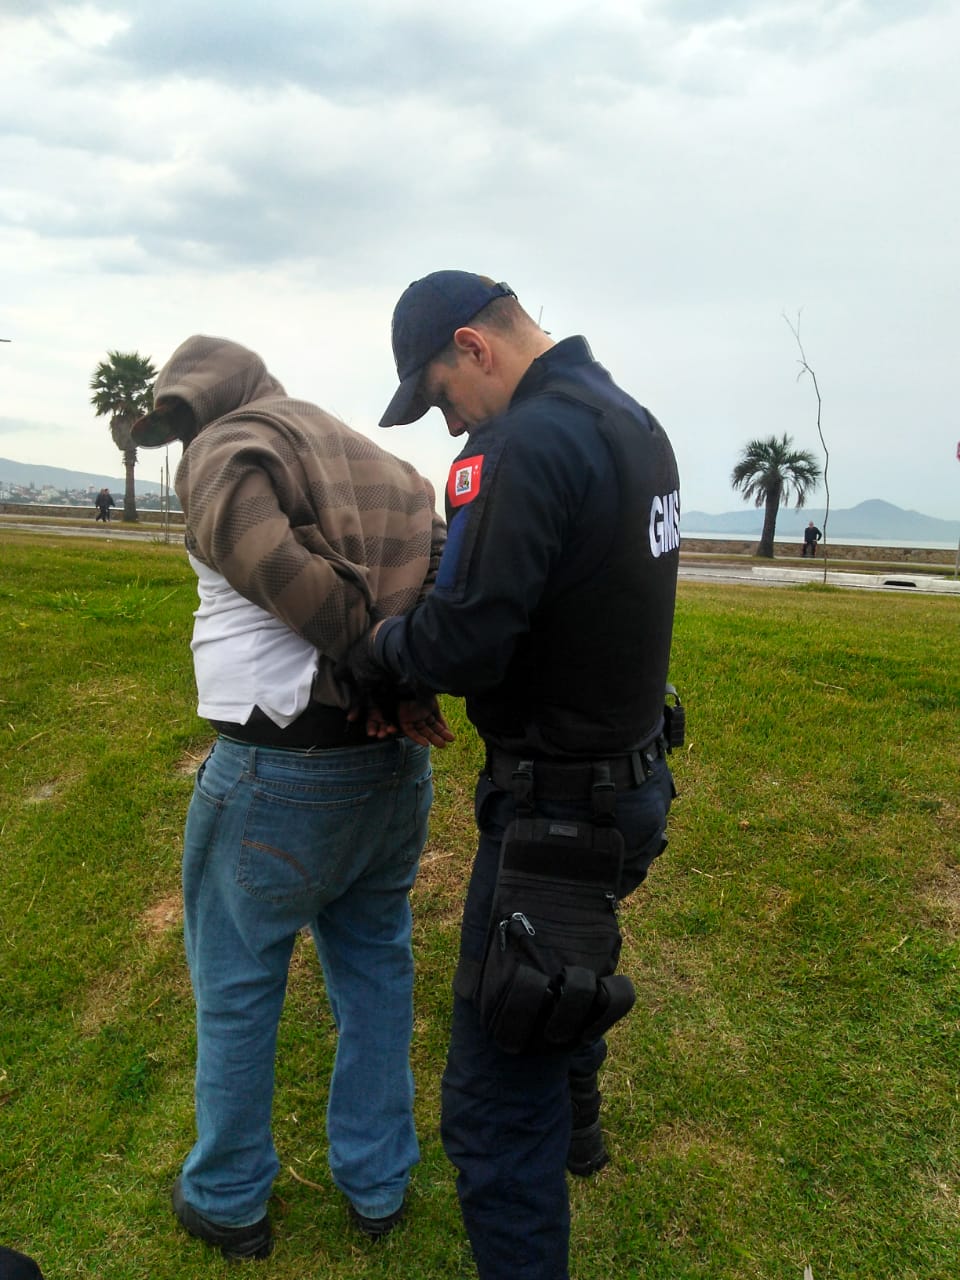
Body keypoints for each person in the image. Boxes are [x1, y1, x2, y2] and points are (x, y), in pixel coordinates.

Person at [346, 271, 681, 1280]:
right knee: (570, 967)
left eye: (443, 396)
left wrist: (379, 648)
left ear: (474, 346)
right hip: (630, 783)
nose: (450, 425)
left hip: (557, 815)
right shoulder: (633, 421)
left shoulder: (519, 445)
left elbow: (464, 640)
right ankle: (580, 1133)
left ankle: (550, 1146)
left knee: (492, 1107)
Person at [130, 335, 448, 1261]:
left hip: (282, 769)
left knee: (236, 989)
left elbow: (276, 568)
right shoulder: (368, 455)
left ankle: (228, 1197)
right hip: (386, 774)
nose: (183, 440)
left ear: (212, 400)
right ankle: (378, 1184)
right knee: (377, 973)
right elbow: (436, 557)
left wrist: (374, 668)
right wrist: (403, 673)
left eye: (180, 417)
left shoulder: (232, 449)